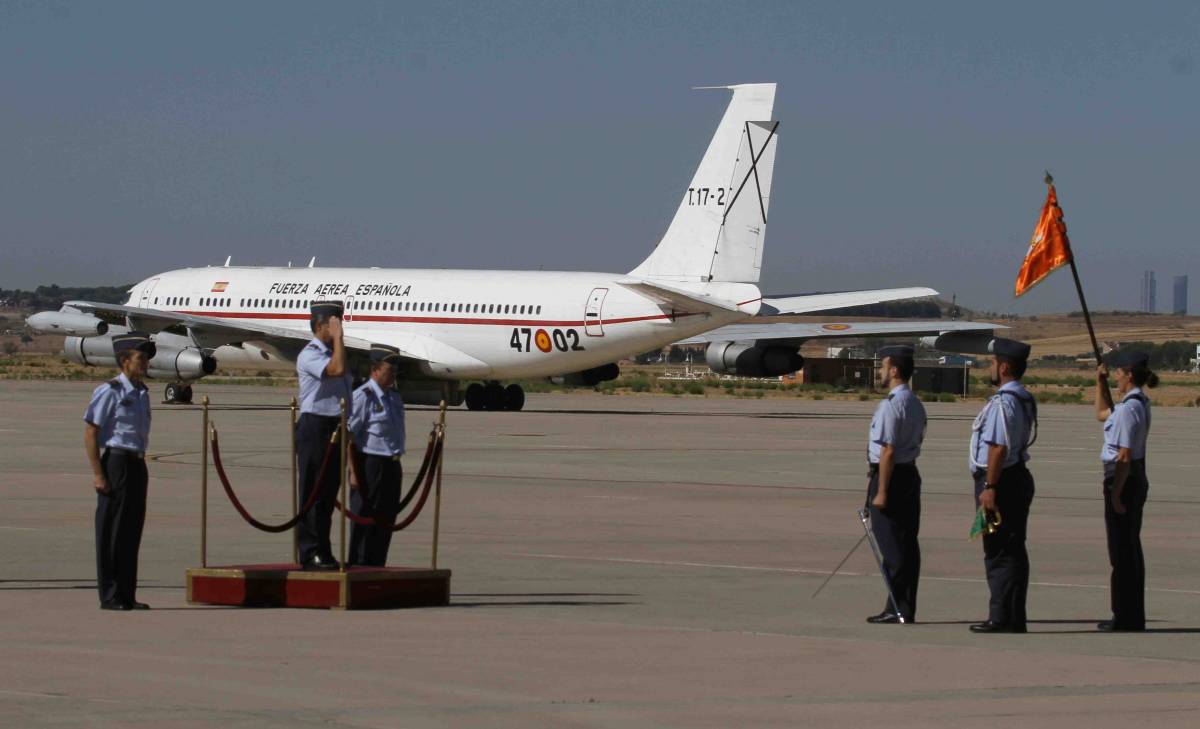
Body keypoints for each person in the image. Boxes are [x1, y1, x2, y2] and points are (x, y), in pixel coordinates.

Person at [968, 337, 1037, 634]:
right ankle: (1012, 615)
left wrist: (990, 486)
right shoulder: (1022, 397)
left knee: (999, 550)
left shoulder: (1003, 402)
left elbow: (997, 448)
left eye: (993, 363)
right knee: (1012, 549)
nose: (990, 367)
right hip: (1015, 476)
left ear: (1004, 367)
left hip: (1001, 480)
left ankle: (1001, 617)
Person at [83, 332, 156, 611]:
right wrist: (98, 473)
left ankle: (127, 593)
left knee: (131, 529)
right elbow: (91, 432)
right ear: (124, 360)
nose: (145, 363)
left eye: (147, 358)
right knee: (112, 530)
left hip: (137, 462)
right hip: (116, 462)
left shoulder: (141, 392)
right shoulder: (110, 391)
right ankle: (111, 594)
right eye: (140, 358)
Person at [1094, 349, 1156, 632]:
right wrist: (1100, 382)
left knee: (1122, 553)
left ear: (1129, 376)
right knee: (1127, 549)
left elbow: (1124, 456)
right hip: (1132, 478)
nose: (1116, 377)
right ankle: (1129, 614)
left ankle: (1126, 616)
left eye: (1119, 373)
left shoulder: (1130, 409)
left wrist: (1116, 493)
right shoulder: (1136, 403)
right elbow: (1102, 414)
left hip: (1124, 480)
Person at [865, 344, 927, 624]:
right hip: (908, 473)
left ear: (894, 370)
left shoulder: (893, 404)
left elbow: (888, 449)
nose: (880, 371)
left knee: (892, 546)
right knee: (906, 543)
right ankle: (903, 604)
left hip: (892, 475)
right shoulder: (914, 402)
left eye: (882, 366)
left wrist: (881, 491)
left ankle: (897, 607)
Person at [295, 301, 352, 570]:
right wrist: (339, 339)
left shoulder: (335, 351)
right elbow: (336, 370)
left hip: (335, 425)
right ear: (320, 326)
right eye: (335, 323)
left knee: (328, 493)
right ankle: (309, 551)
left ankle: (323, 549)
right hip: (315, 426)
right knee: (313, 492)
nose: (340, 327)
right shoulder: (311, 354)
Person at [347, 344, 407, 567]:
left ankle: (377, 565)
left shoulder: (393, 397)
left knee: (386, 521)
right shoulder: (363, 396)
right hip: (370, 465)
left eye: (394, 371)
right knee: (364, 521)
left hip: (392, 464)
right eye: (388, 371)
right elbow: (349, 434)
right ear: (374, 369)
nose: (392, 376)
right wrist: (353, 471)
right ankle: (359, 566)